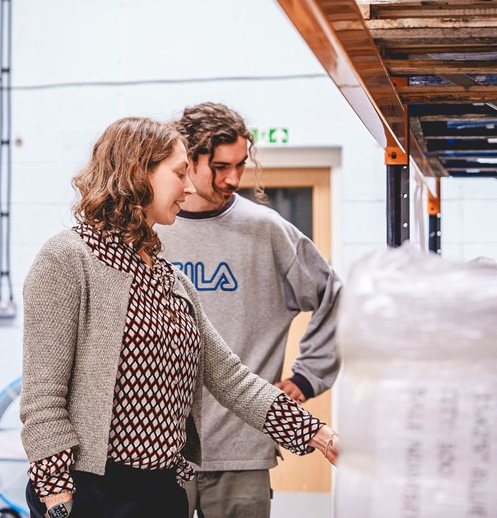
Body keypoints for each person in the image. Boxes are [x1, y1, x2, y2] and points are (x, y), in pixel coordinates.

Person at [19, 117, 339, 518]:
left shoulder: (169, 279)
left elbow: (232, 380)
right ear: (138, 172)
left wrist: (319, 434)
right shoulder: (68, 258)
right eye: (179, 173)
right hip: (93, 493)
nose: (188, 188)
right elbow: (43, 398)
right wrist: (57, 499)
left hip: (161, 491)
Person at [156, 102, 343, 518]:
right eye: (220, 167)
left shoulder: (266, 230)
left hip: (244, 448)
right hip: (160, 451)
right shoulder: (152, 230)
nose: (233, 179)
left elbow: (335, 296)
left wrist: (307, 377)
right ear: (188, 159)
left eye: (241, 165)